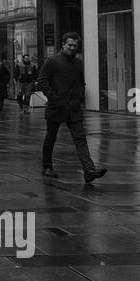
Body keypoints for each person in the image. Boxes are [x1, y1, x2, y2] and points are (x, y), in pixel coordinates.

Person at [37, 32, 106, 182]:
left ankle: (89, 170)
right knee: (50, 138)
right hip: (56, 107)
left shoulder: (79, 63)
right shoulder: (52, 61)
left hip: (73, 108)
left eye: (75, 46)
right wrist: (53, 97)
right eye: (70, 45)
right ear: (63, 44)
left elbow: (81, 83)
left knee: (80, 139)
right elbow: (42, 81)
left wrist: (80, 97)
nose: (72, 48)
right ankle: (47, 166)